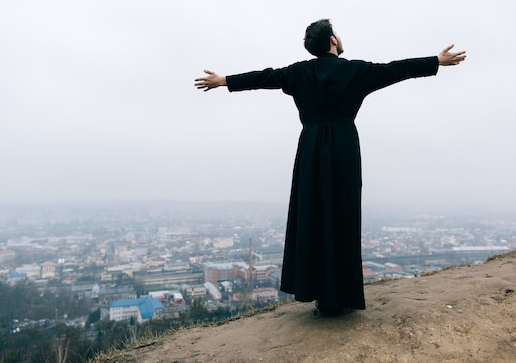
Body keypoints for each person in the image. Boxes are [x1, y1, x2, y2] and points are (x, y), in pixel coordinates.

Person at [195, 19, 466, 316]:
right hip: (344, 148)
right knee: (342, 215)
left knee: (311, 216)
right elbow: (395, 69)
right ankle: (340, 296)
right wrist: (435, 61)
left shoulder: (300, 72)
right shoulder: (355, 71)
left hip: (310, 147)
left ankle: (318, 294)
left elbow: (264, 77)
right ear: (333, 41)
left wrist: (224, 81)